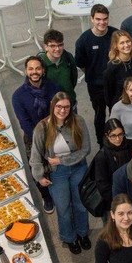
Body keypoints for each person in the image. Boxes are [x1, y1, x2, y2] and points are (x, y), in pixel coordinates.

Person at [30, 93, 92, 254]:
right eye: (59, 106)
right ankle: (69, 237)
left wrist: (62, 160)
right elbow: (35, 155)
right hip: (57, 173)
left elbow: (85, 149)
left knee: (80, 204)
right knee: (63, 207)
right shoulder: (42, 127)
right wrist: (39, 177)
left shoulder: (79, 121)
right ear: (52, 105)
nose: (62, 110)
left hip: (78, 168)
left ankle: (83, 233)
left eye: (66, 107)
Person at [11, 56, 60, 212]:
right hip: (33, 136)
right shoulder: (18, 96)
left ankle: (60, 189)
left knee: (57, 163)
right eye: (31, 69)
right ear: (26, 71)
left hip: (55, 133)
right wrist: (40, 139)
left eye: (38, 68)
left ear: (43, 70)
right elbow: (24, 122)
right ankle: (46, 197)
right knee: (37, 168)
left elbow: (60, 112)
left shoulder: (54, 88)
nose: (34, 72)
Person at [74, 4, 118, 147]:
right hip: (96, 85)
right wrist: (93, 73)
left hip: (115, 84)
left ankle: (117, 139)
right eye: (98, 19)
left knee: (116, 113)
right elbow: (80, 63)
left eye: (105, 19)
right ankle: (101, 143)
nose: (102, 22)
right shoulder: (84, 40)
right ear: (92, 19)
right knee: (99, 115)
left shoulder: (115, 35)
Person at [92, 118, 132, 218]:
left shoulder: (131, 146)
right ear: (106, 136)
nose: (118, 139)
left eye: (120, 134)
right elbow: (103, 185)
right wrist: (119, 203)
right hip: (113, 202)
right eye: (113, 136)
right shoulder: (102, 156)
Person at [102, 30, 132, 111]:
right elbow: (108, 95)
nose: (126, 45)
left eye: (127, 41)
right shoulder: (112, 68)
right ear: (116, 46)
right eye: (122, 43)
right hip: (122, 109)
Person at [38, 29, 78, 104]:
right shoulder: (40, 63)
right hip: (51, 106)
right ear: (45, 47)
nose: (57, 49)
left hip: (70, 102)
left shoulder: (68, 57)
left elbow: (74, 78)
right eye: (53, 46)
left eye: (60, 45)